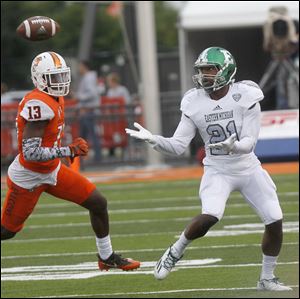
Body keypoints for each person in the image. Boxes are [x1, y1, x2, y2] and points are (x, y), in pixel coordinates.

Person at [126, 47, 292, 291]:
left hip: (247, 167)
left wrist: (234, 146)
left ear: (226, 70)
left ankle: (266, 277)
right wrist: (154, 139)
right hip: (218, 169)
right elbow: (178, 146)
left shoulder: (246, 95)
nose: (205, 75)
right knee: (211, 215)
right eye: (202, 70)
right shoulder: (194, 101)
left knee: (275, 220)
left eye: (210, 70)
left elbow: (249, 143)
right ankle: (175, 251)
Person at [1, 51, 140, 272]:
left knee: (98, 202)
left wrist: (63, 155)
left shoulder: (55, 98)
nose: (59, 82)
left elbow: (49, 137)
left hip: (52, 170)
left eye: (61, 76)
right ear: (38, 79)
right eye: (53, 78)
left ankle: (106, 256)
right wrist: (68, 149)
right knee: (7, 231)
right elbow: (30, 153)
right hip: (29, 175)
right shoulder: (39, 104)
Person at [76, 61, 101, 162]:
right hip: (87, 110)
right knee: (85, 136)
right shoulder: (89, 77)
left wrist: (79, 97)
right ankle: (82, 160)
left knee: (90, 136)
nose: (79, 69)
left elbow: (92, 93)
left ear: (84, 67)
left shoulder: (88, 78)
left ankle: (97, 159)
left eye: (80, 66)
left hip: (89, 111)